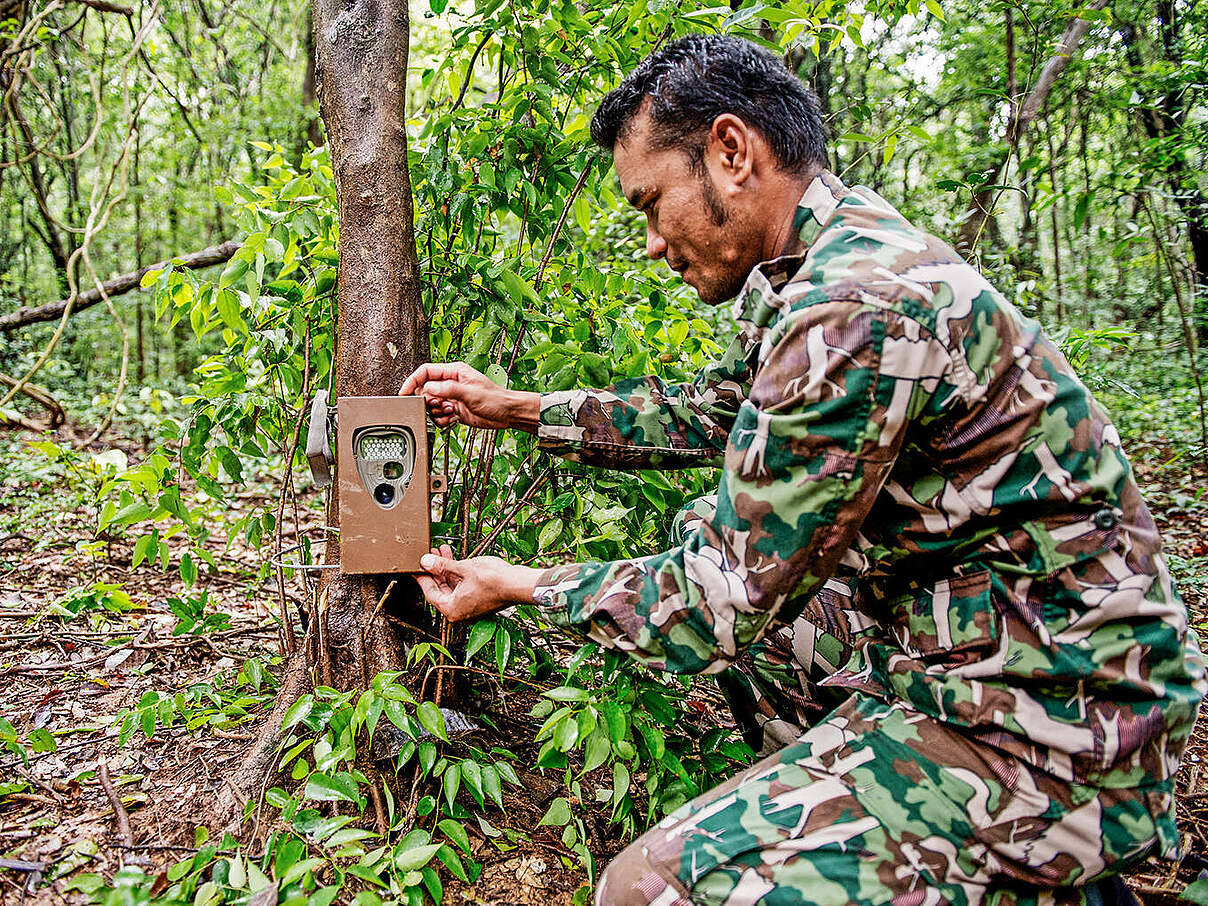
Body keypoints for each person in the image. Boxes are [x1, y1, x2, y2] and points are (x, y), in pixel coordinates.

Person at [401, 34, 1205, 906]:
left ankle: (1013, 854)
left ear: (731, 152)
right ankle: (871, 837)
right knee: (778, 618)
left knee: (643, 890)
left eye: (650, 203)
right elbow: (714, 415)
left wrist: (516, 585)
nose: (651, 241)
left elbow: (720, 602)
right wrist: (514, 406)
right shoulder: (826, 261)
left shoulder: (852, 304)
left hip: (1059, 723)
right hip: (994, 648)